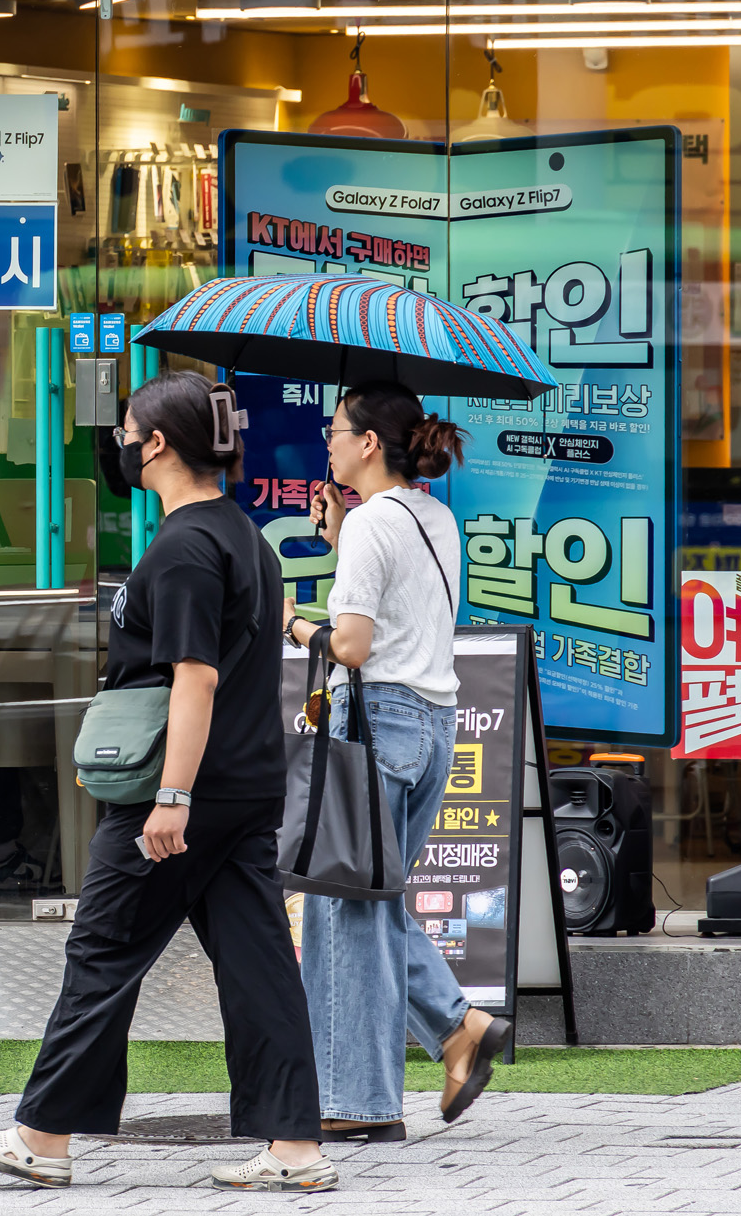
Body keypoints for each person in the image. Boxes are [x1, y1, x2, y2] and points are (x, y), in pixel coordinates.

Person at [0, 370, 334, 1194]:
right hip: (245, 784)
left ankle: (42, 1138)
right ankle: (296, 1147)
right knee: (259, 963)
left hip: (183, 790)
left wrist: (171, 796)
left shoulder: (187, 546)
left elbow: (194, 677)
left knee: (104, 947)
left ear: (155, 444)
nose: (120, 442)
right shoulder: (246, 538)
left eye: (128, 429)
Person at [282, 380, 509, 1143]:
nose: (328, 442)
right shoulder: (432, 516)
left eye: (336, 431)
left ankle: (358, 1100)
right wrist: (345, 529)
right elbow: (402, 597)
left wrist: (292, 622)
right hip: (433, 723)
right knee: (371, 897)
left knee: (343, 903)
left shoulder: (375, 523)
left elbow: (351, 646)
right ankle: (456, 1028)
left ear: (368, 443)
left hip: (377, 719)